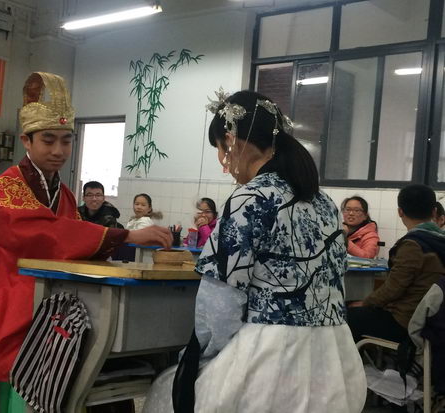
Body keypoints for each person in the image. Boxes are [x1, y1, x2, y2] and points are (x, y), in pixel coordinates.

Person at [143, 90, 366, 413]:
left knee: (167, 391)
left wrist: (204, 355)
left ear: (230, 140)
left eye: (220, 150)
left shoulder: (249, 198)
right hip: (335, 362)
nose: (223, 161)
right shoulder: (325, 203)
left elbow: (220, 303)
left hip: (270, 364)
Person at [0, 72, 172, 412]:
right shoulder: (7, 186)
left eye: (66, 141)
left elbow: (72, 240)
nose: (59, 151)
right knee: (68, 351)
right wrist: (126, 235)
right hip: (7, 294)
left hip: (46, 295)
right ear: (26, 141)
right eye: (48, 140)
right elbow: (44, 235)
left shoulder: (62, 192)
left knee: (98, 349)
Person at [348, 184, 445, 344]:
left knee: (346, 316)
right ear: (434, 211)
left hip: (406, 323)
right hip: (433, 320)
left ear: (400, 211)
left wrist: (365, 302)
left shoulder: (412, 245)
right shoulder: (438, 240)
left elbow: (392, 289)